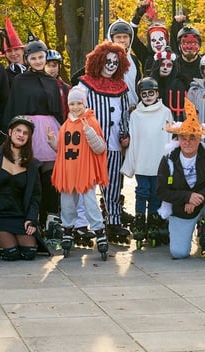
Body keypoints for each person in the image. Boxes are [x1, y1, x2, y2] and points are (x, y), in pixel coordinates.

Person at [156, 98, 205, 259]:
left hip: (204, 202)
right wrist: (187, 197)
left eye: (192, 137)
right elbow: (161, 191)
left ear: (199, 138)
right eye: (183, 138)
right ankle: (181, 231)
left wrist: (199, 197)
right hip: (182, 209)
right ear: (178, 139)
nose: (188, 142)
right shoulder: (169, 159)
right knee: (179, 253)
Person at [3, 39, 64, 227]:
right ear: (27, 59)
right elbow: (14, 106)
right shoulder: (20, 81)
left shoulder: (51, 81)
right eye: (33, 58)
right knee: (30, 175)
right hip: (28, 129)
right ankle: (31, 218)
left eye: (40, 57)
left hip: (49, 130)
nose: (38, 61)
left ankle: (50, 218)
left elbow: (57, 109)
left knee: (50, 176)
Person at [78, 41, 132, 244]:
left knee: (113, 184)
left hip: (114, 144)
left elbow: (124, 114)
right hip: (89, 144)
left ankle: (114, 221)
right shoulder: (84, 85)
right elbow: (76, 111)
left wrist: (125, 134)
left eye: (115, 63)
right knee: (86, 185)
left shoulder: (122, 87)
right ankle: (81, 224)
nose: (111, 66)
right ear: (98, 61)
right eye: (107, 61)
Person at [49, 86, 110, 259]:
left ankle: (99, 230)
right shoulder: (65, 125)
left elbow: (100, 148)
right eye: (72, 104)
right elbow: (62, 150)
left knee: (90, 203)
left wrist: (89, 133)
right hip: (69, 172)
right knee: (67, 204)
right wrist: (52, 142)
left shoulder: (91, 122)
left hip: (85, 171)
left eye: (78, 103)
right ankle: (68, 229)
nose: (75, 107)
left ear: (84, 104)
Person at [0, 116, 44, 261]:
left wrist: (31, 218)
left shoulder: (32, 164)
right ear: (10, 132)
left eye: (25, 133)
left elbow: (35, 196)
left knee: (29, 253)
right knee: (11, 253)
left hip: (20, 217)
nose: (21, 135)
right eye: (18, 131)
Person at [122, 78, 173, 249]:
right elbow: (133, 139)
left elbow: (169, 137)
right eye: (144, 94)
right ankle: (139, 221)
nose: (148, 97)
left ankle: (153, 221)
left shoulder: (165, 112)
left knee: (155, 194)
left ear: (157, 93)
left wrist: (169, 161)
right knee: (142, 191)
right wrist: (131, 162)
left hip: (159, 161)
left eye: (151, 93)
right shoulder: (136, 115)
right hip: (142, 161)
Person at [148, 46, 190, 121]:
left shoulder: (178, 84)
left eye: (169, 65)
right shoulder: (149, 83)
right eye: (162, 64)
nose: (165, 68)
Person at [0, 17, 27, 85]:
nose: (13, 53)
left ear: (23, 50)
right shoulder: (4, 75)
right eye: (9, 51)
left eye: (16, 49)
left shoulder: (33, 70)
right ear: (5, 54)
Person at [44, 49, 70, 118]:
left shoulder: (65, 88)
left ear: (59, 66)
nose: (51, 69)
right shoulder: (38, 85)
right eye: (48, 66)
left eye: (54, 66)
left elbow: (69, 111)